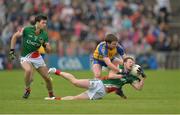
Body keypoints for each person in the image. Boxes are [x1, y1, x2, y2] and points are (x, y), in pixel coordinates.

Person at [46, 56, 146, 100]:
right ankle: (56, 71)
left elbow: (139, 88)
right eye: (130, 62)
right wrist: (123, 74)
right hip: (99, 83)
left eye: (132, 63)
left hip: (101, 93)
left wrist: (142, 78)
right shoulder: (118, 67)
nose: (131, 64)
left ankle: (54, 99)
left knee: (76, 99)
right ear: (124, 63)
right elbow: (111, 75)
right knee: (75, 82)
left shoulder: (131, 77)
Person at [9, 14, 57, 99]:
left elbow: (49, 51)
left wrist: (46, 46)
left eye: (46, 23)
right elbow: (14, 37)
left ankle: (51, 94)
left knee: (47, 78)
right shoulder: (26, 29)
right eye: (43, 23)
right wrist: (12, 51)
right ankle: (27, 89)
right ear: (37, 22)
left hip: (37, 58)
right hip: (25, 57)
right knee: (28, 70)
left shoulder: (44, 35)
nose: (45, 25)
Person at [91, 33, 127, 99]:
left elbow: (125, 58)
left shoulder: (117, 46)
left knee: (123, 64)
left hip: (110, 58)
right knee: (97, 75)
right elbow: (108, 64)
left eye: (116, 43)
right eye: (113, 44)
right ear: (108, 43)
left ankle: (118, 89)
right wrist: (120, 70)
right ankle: (94, 92)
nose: (115, 45)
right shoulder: (102, 48)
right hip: (98, 60)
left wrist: (128, 66)